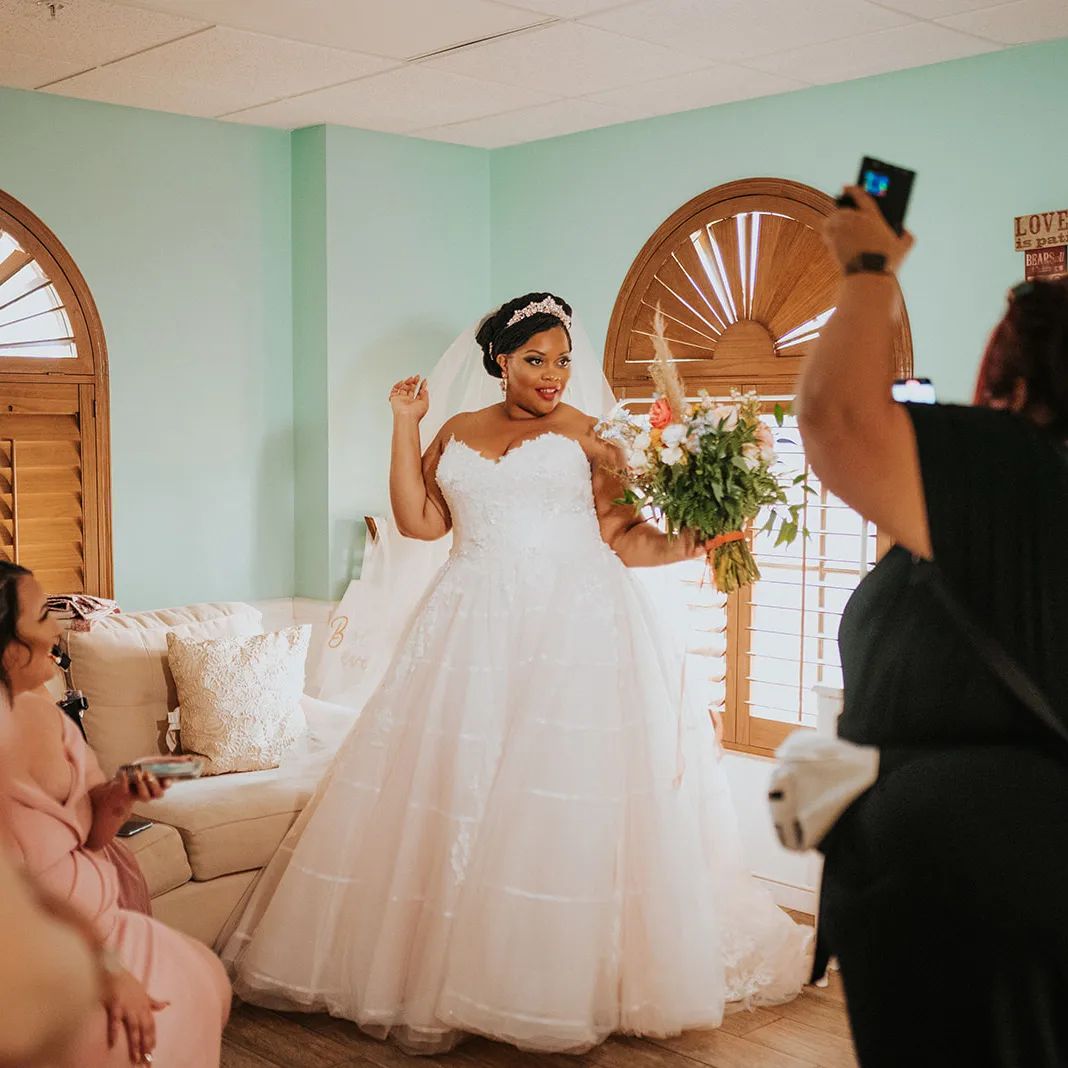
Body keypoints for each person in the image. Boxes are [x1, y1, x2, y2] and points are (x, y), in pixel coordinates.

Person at [223, 293, 810, 1055]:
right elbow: (421, 523)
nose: (553, 374)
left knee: (558, 799)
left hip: (576, 631)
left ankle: (559, 983)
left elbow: (626, 536)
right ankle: (448, 975)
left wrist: (697, 541)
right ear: (500, 361)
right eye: (535, 360)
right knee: (459, 790)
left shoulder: (594, 435)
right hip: (468, 626)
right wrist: (405, 424)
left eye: (562, 360)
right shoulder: (457, 431)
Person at [798, 189, 1068, 1066]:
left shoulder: (1021, 468)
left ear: (1017, 380)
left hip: (984, 902)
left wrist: (869, 267)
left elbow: (838, 418)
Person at [0, 560, 231, 1066]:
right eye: (43, 616)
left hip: (107, 933)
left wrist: (121, 795)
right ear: (9, 647)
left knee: (206, 976)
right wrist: (103, 968)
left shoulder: (45, 711)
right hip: (46, 962)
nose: (58, 628)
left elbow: (93, 833)